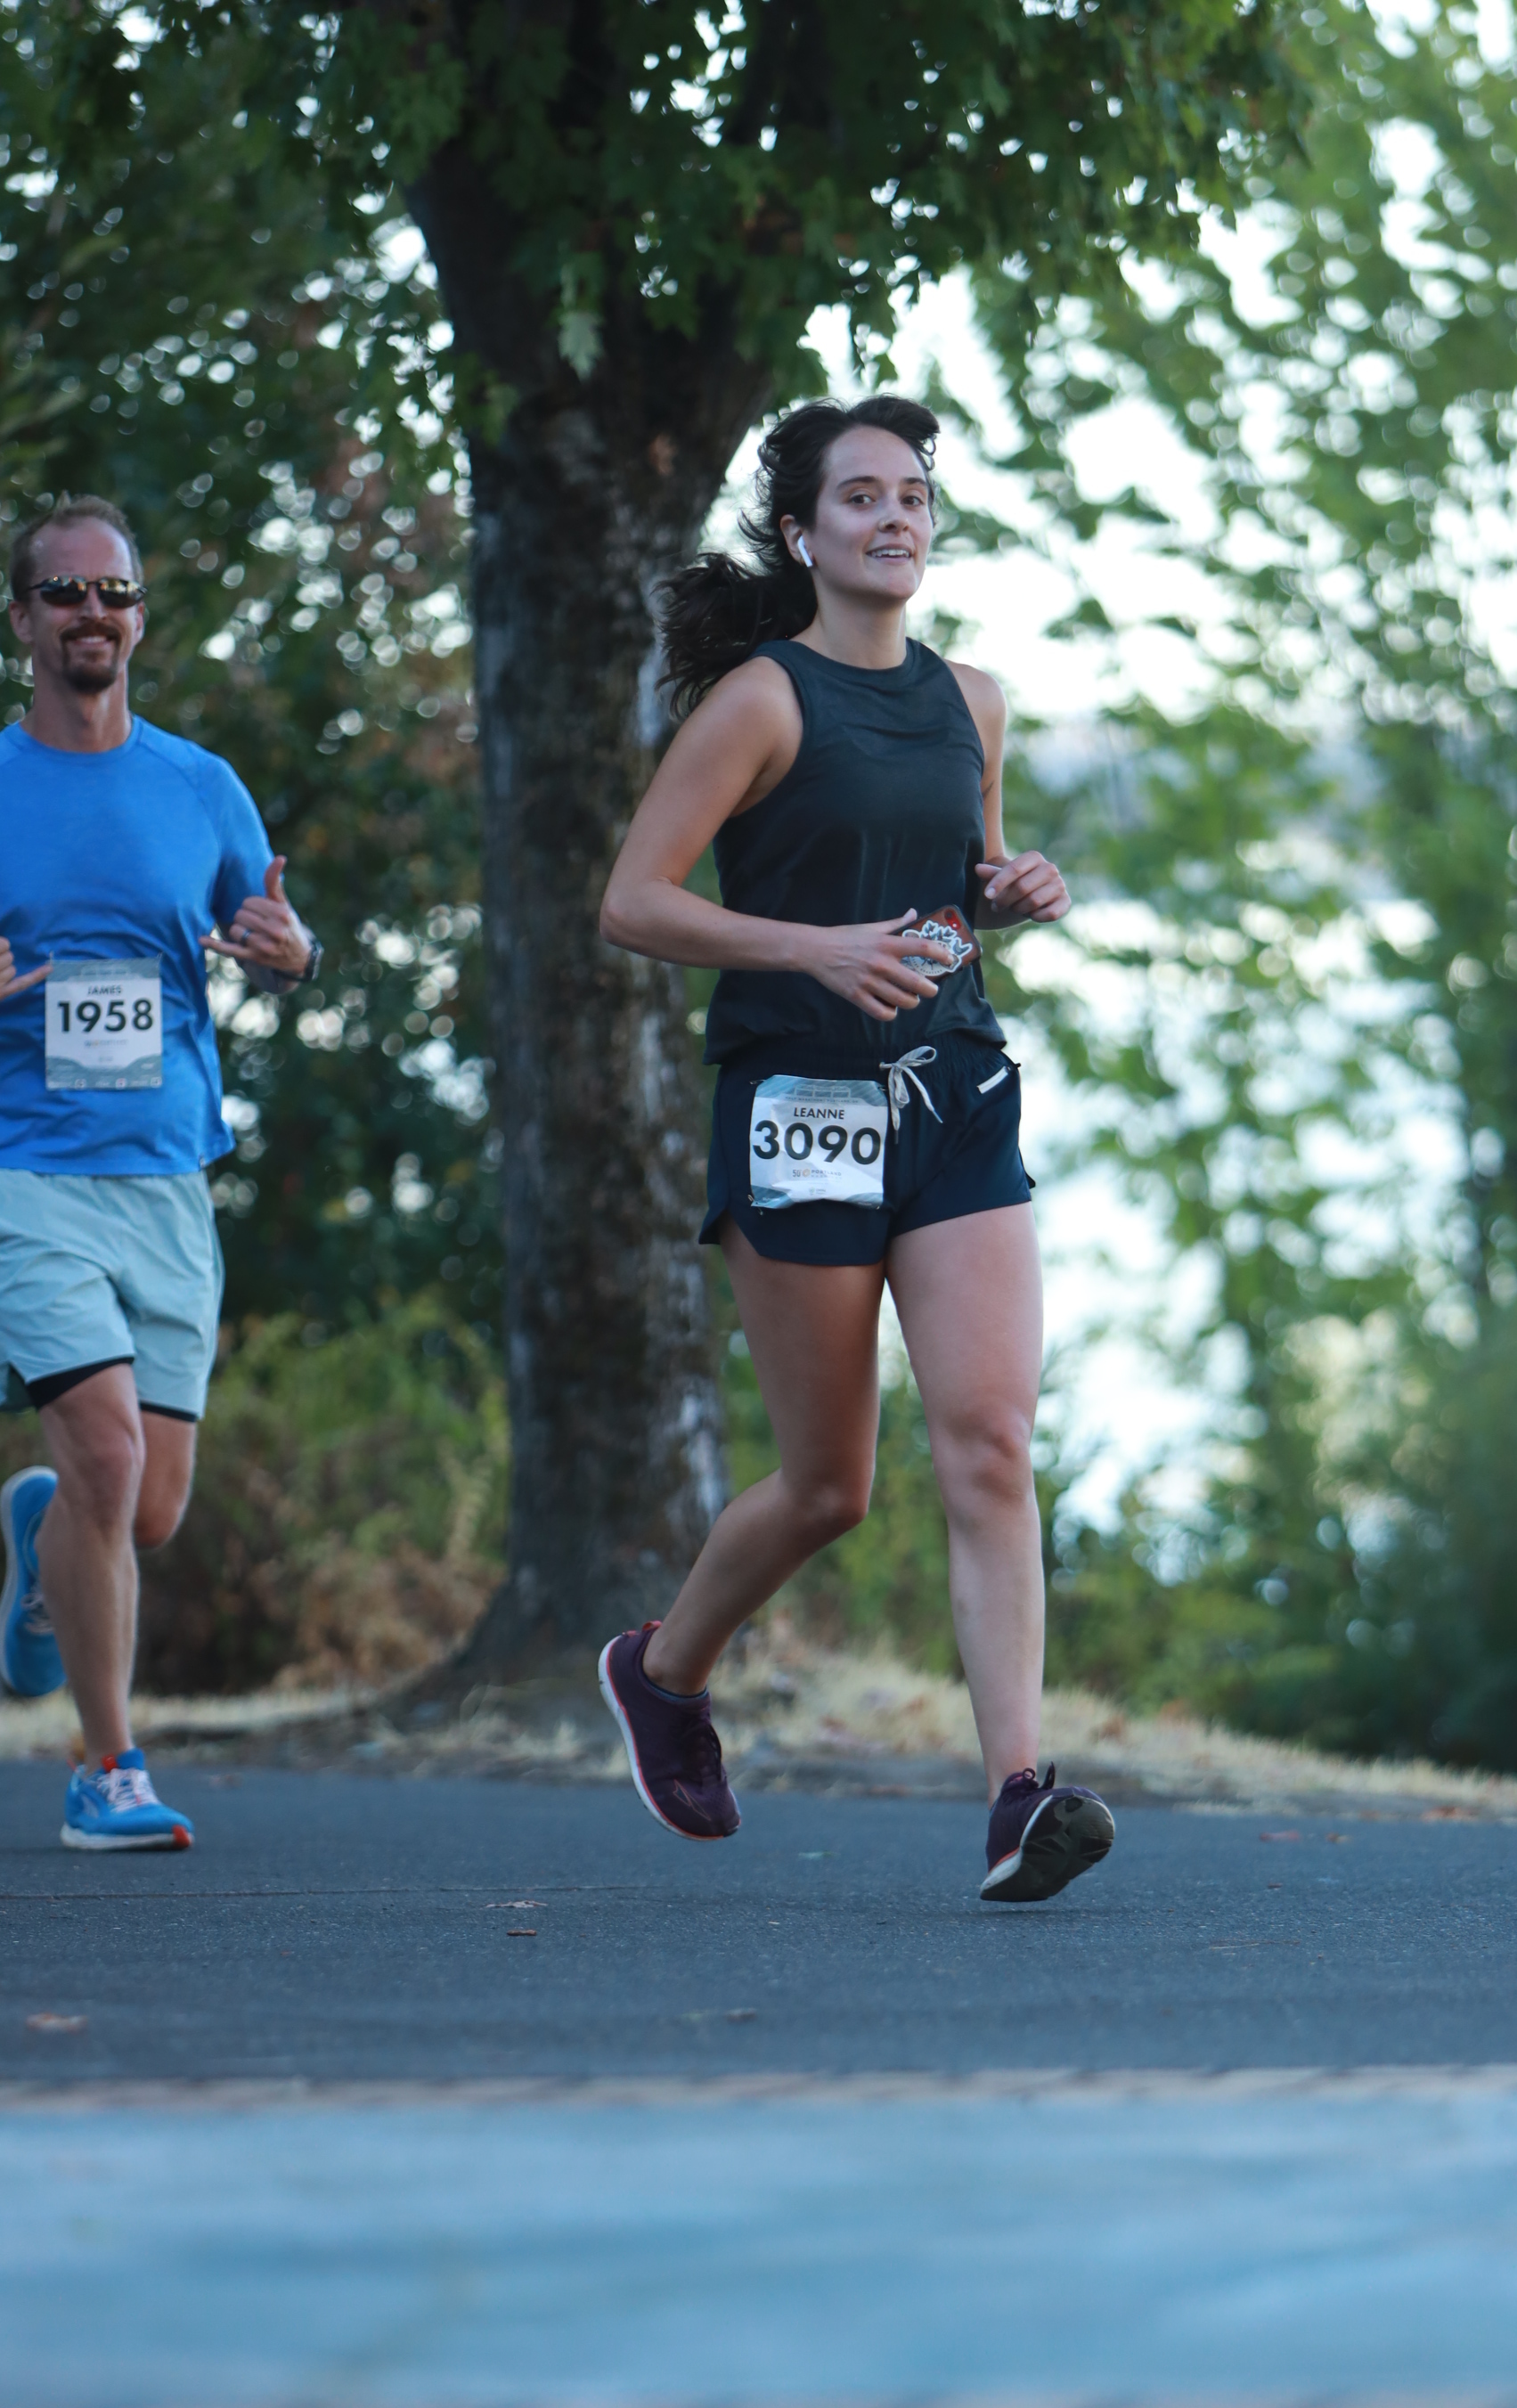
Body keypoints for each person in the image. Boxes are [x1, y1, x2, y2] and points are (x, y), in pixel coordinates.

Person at [597, 396, 1114, 1904]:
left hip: (952, 1094)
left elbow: (958, 885)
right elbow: (634, 900)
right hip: (800, 1111)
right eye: (862, 497)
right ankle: (664, 1672)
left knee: (992, 1440)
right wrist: (811, 949)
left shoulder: (974, 699)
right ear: (803, 532)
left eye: (914, 496)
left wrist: (1006, 892)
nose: (895, 517)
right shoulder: (761, 702)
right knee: (832, 1486)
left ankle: (1018, 1795)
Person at [0, 493, 320, 1850]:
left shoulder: (199, 786)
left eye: (115, 592)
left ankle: (44, 1543)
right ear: (23, 619)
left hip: (165, 1175)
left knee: (146, 1506)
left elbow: (273, 931)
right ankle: (107, 1768)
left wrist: (294, 955)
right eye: (67, 593)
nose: (94, 613)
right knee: (109, 1451)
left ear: (140, 616)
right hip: (18, 1169)